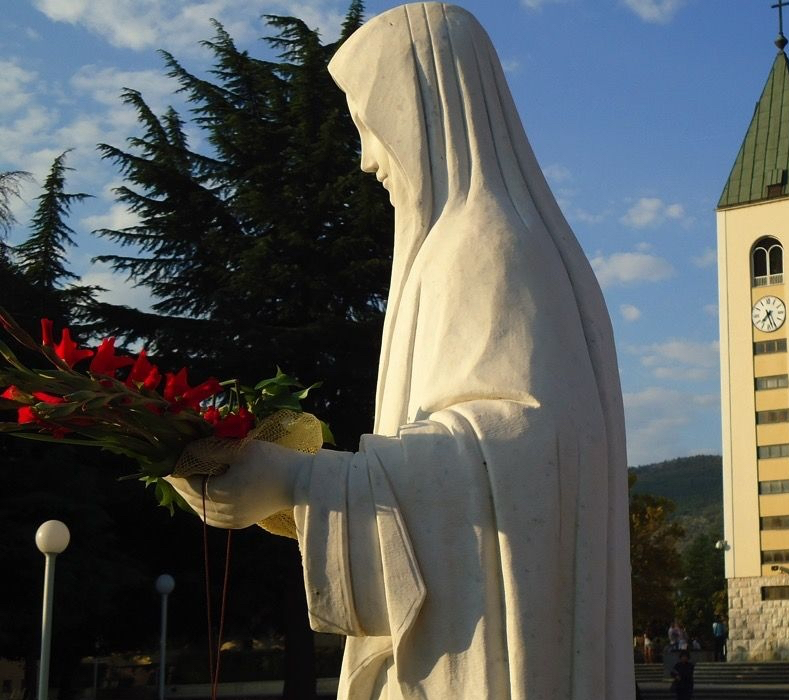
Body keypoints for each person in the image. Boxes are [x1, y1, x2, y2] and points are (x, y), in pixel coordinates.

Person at [166, 4, 633, 698]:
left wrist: (302, 481)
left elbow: (532, 450)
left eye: (369, 126)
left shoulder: (486, 244)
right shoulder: (457, 248)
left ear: (422, 110)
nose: (366, 157)